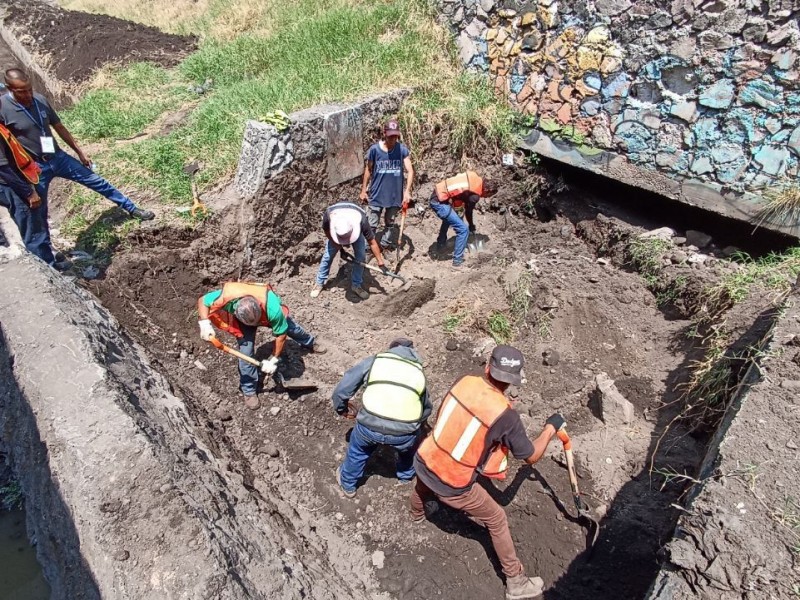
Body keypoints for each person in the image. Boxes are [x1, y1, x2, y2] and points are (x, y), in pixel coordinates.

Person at [410, 345, 566, 600]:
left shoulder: (465, 381)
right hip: (453, 484)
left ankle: (417, 513)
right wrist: (550, 429)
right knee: (496, 519)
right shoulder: (506, 415)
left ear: (487, 368)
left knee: (423, 484)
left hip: (425, 456)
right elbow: (530, 456)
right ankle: (516, 582)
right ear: (514, 381)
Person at [0, 69, 155, 227]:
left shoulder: (39, 100)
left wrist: (79, 152)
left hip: (58, 158)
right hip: (35, 167)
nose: (28, 95)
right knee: (38, 208)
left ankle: (132, 208)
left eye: (29, 89)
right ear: (9, 88)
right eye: (22, 92)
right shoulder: (3, 109)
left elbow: (59, 127)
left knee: (96, 181)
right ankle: (46, 246)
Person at [197, 281, 326, 410]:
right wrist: (204, 323)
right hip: (244, 322)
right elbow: (203, 300)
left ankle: (310, 342)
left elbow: (281, 335)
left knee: (292, 328)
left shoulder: (273, 308)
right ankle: (248, 390)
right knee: (245, 353)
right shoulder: (227, 297)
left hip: (266, 314)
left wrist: (274, 359)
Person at [332, 338, 432, 498]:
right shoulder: (417, 372)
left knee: (358, 451)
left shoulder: (375, 361)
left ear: (391, 350)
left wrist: (341, 409)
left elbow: (343, 389)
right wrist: (417, 426)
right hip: (403, 434)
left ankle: (348, 484)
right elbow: (426, 407)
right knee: (409, 451)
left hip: (368, 428)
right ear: (412, 353)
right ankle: (405, 477)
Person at [0, 120, 70, 270]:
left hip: (8, 183)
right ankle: (49, 269)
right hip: (9, 185)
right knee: (33, 230)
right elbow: (3, 169)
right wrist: (28, 192)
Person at [311, 201, 389, 301]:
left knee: (361, 257)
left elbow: (372, 243)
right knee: (328, 256)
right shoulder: (329, 216)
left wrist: (380, 262)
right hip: (337, 231)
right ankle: (319, 283)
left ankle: (356, 285)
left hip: (355, 229)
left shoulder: (362, 221)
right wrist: (339, 247)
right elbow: (327, 232)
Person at [358, 119, 413, 250]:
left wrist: (407, 191)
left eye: (395, 136)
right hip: (377, 193)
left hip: (394, 195)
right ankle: (367, 249)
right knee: (371, 224)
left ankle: (384, 245)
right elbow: (368, 169)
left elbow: (410, 171)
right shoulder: (375, 150)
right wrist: (363, 190)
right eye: (390, 136)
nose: (393, 139)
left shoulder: (402, 150)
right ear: (384, 133)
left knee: (390, 222)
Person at [430, 170, 497, 268]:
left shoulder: (474, 176)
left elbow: (459, 194)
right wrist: (471, 225)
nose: (486, 197)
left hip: (438, 194)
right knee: (463, 230)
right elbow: (468, 211)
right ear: (487, 190)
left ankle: (441, 245)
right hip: (439, 203)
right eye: (488, 195)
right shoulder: (475, 195)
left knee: (449, 219)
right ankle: (457, 261)